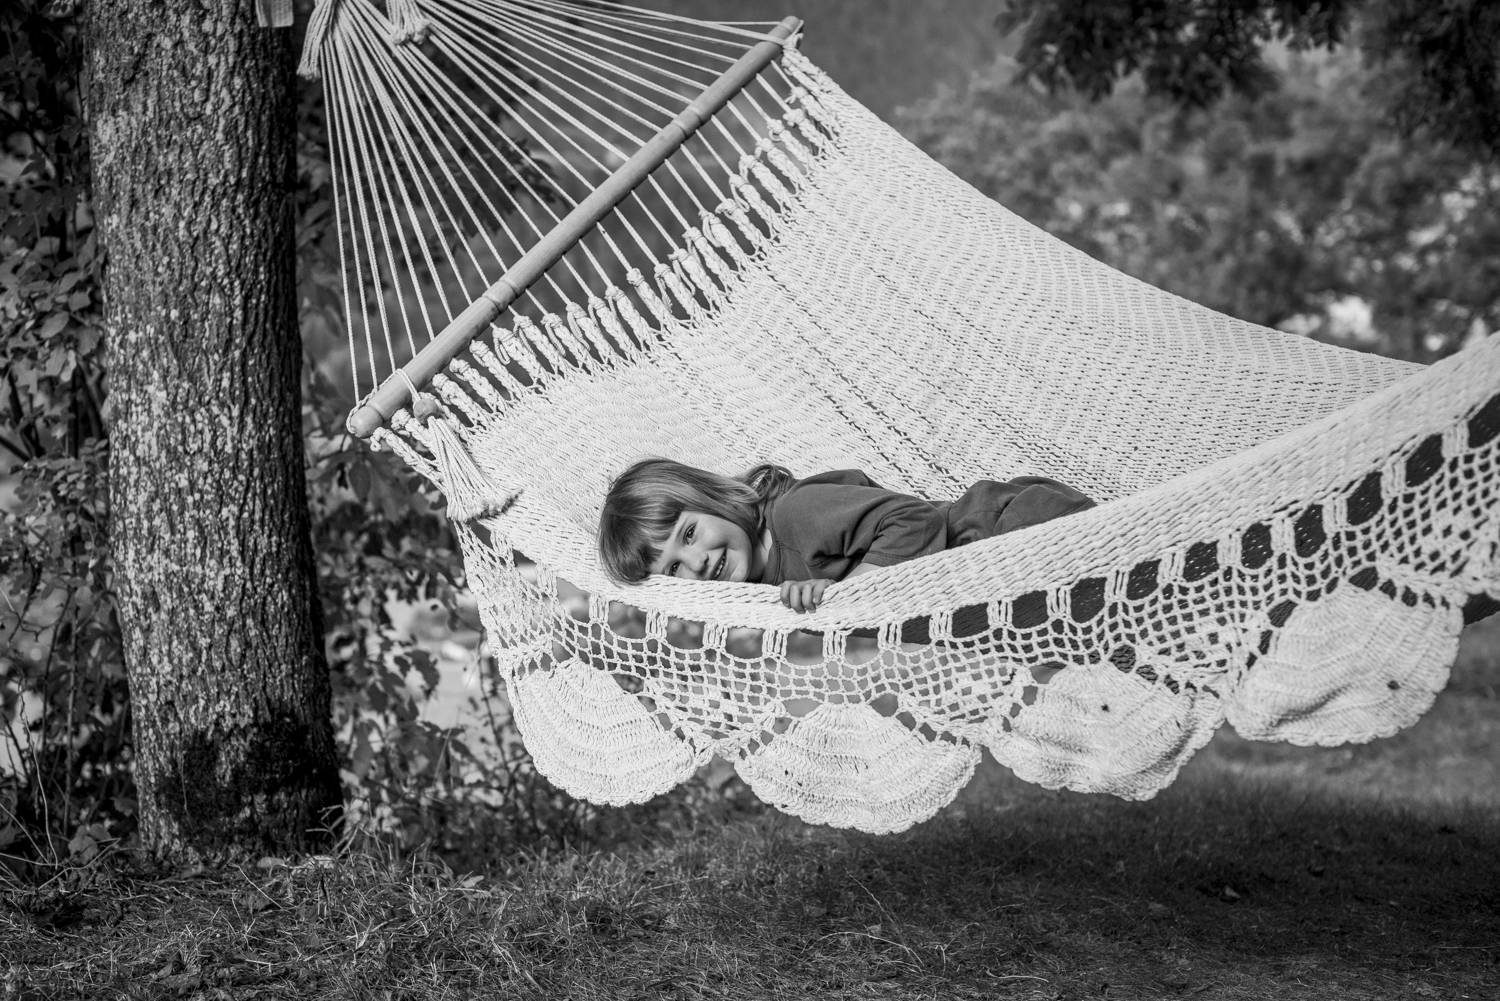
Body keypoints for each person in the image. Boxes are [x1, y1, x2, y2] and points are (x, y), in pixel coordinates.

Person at [596, 458, 1095, 612]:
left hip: (1007, 528)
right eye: (674, 569)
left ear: (713, 499)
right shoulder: (763, 594)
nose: (697, 562)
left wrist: (854, 590)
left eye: (688, 533)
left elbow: (914, 519)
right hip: (989, 580)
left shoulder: (796, 514)